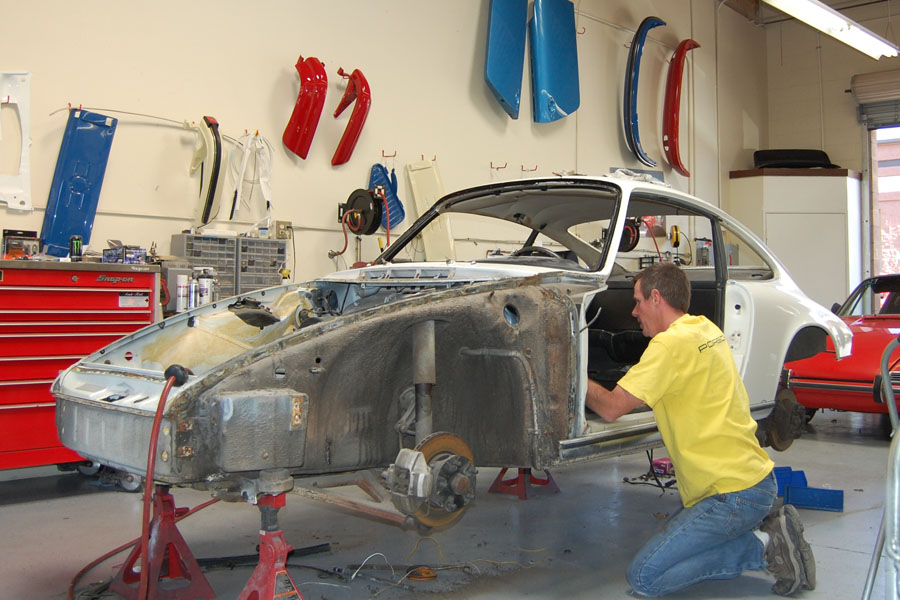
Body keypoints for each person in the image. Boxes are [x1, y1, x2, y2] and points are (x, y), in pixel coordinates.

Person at [585, 261, 815, 597]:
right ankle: (762, 534)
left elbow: (610, 408)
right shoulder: (705, 329)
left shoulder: (668, 346)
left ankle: (765, 547)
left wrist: (574, 376)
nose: (634, 312)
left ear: (656, 298)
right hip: (754, 482)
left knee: (645, 577)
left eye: (637, 301)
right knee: (679, 549)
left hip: (730, 495)